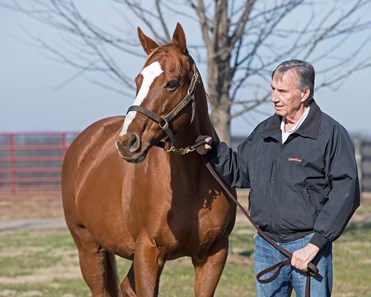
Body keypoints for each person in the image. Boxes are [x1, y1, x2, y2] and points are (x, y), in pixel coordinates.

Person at [196, 59, 360, 296]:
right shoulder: (264, 131)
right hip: (266, 246)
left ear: (305, 93)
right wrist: (211, 151)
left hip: (309, 247)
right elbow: (239, 170)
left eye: (282, 91)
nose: (274, 97)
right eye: (272, 89)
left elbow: (346, 193)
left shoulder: (331, 134)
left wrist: (315, 245)